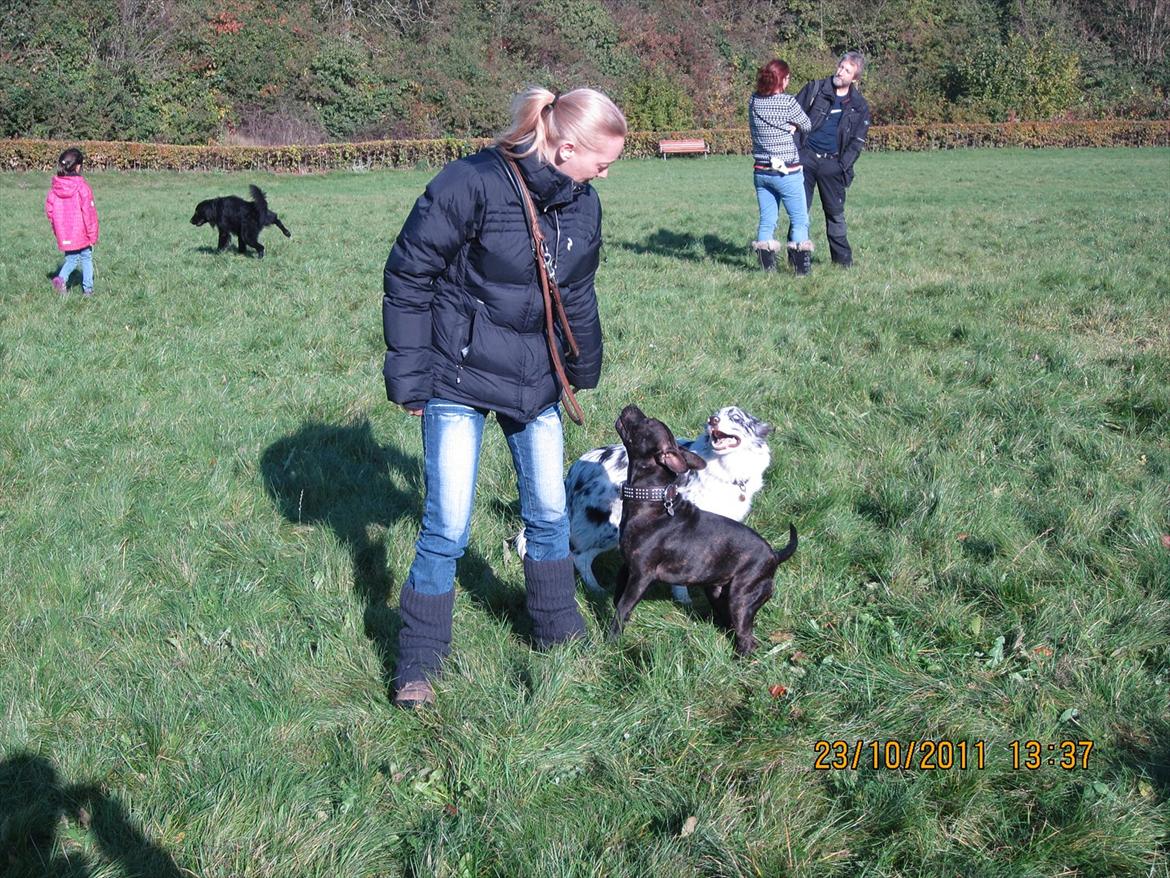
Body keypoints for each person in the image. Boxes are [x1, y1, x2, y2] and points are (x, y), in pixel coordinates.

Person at [381, 86, 627, 708]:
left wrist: (583, 365)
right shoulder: (472, 182)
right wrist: (410, 376)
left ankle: (556, 629)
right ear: (566, 148)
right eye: (602, 161)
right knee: (447, 526)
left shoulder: (583, 204)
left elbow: (577, 291)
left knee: (548, 514)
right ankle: (419, 660)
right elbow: (409, 273)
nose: (606, 173)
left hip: (535, 377)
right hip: (455, 376)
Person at [793, 52, 871, 268]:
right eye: (841, 66)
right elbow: (792, 117)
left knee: (835, 214)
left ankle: (842, 262)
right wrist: (798, 153)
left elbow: (857, 141)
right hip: (806, 160)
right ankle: (797, 259)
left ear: (855, 78)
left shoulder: (859, 106)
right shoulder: (815, 89)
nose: (840, 72)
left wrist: (841, 165)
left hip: (833, 165)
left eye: (847, 70)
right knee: (800, 212)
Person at [748, 59, 813, 275]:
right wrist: (792, 125)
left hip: (761, 171)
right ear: (782, 80)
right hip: (787, 172)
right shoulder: (787, 102)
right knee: (800, 220)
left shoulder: (754, 101)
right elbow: (807, 125)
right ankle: (801, 271)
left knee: (767, 221)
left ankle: (767, 271)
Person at [45, 147, 100, 295]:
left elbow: (50, 212)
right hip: (82, 233)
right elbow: (89, 213)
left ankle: (61, 279)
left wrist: (57, 229)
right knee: (86, 258)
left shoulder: (54, 189)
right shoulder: (83, 188)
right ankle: (88, 290)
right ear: (78, 167)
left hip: (64, 233)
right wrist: (92, 235)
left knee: (71, 259)